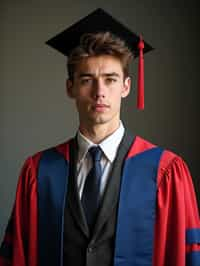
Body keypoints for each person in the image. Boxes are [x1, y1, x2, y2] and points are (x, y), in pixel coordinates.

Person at [0, 8, 200, 266]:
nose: (99, 92)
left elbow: (184, 256)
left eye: (110, 79)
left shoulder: (166, 172)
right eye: (87, 80)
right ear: (70, 87)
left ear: (126, 87)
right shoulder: (39, 173)